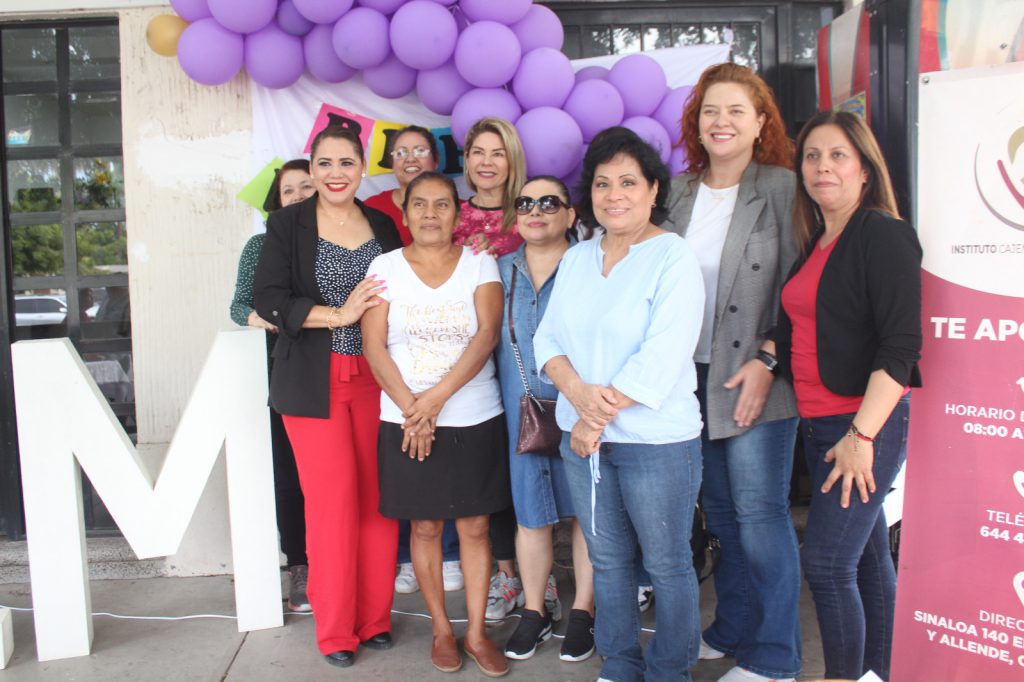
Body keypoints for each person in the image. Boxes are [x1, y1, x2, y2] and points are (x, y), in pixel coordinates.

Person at [534, 127, 706, 682]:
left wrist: (593, 416)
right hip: (582, 441)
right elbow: (547, 341)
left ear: (654, 189)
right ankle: (620, 663)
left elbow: (663, 355)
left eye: (629, 182)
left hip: (656, 441)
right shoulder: (579, 258)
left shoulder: (672, 257)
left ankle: (670, 671)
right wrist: (580, 405)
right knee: (607, 561)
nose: (615, 195)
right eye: (603, 183)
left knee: (667, 563)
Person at [664, 63, 802, 682]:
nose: (721, 122)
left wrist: (770, 357)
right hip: (687, 376)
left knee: (760, 514)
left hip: (755, 374)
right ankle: (734, 629)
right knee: (720, 514)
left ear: (760, 123)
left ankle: (775, 658)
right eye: (710, 111)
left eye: (735, 112)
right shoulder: (677, 191)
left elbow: (805, 289)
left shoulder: (783, 187)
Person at [776, 110, 922, 681]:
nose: (822, 167)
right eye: (812, 156)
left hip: (861, 424)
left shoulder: (880, 233)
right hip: (818, 423)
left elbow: (901, 345)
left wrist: (862, 435)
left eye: (837, 155)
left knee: (828, 564)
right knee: (864, 559)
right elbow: (800, 322)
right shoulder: (818, 241)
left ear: (864, 168)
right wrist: (767, 356)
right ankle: (880, 673)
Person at [252, 125, 402, 668]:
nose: (336, 173)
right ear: (311, 170)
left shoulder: (384, 225)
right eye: (325, 163)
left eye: (347, 163)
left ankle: (375, 618)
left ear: (362, 169)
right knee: (332, 503)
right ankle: (336, 629)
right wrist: (337, 316)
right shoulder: (287, 224)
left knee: (379, 503)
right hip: (312, 383)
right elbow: (267, 297)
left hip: (376, 377)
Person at [362, 171, 511, 678]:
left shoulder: (480, 263)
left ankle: (476, 634)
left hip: (471, 414)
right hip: (404, 417)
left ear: (456, 213)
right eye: (420, 205)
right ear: (404, 213)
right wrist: (412, 408)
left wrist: (434, 403)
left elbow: (487, 335)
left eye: (442, 204)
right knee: (425, 526)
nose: (430, 213)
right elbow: (374, 345)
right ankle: (442, 630)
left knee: (474, 525)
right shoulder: (383, 267)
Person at [495, 176, 596, 664]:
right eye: (526, 202)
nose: (536, 210)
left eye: (549, 202)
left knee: (587, 516)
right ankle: (534, 612)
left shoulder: (593, 265)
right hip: (523, 415)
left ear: (571, 214)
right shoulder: (498, 271)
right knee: (531, 514)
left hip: (583, 411)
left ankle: (582, 612)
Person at [363, 124, 464, 594]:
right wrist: (412, 404)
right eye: (400, 151)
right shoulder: (376, 211)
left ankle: (448, 554)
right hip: (397, 353)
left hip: (454, 367)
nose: (409, 157)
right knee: (410, 465)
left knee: (450, 472)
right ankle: (407, 557)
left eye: (419, 149)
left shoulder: (453, 214)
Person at [230, 158, 316, 613]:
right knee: (289, 474)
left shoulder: (343, 240)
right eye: (290, 190)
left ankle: (336, 562)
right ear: (276, 202)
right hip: (282, 369)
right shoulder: (261, 246)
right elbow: (239, 306)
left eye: (308, 186)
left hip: (339, 370)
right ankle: (300, 565)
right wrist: (280, 318)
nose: (301, 195)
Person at [455, 117, 529, 620]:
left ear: (512, 160)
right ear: (466, 160)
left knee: (526, 464)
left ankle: (533, 577)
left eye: (497, 152)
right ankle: (507, 576)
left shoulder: (532, 212)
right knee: (487, 472)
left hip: (520, 355)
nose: (487, 162)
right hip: (465, 361)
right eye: (478, 152)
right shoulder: (448, 214)